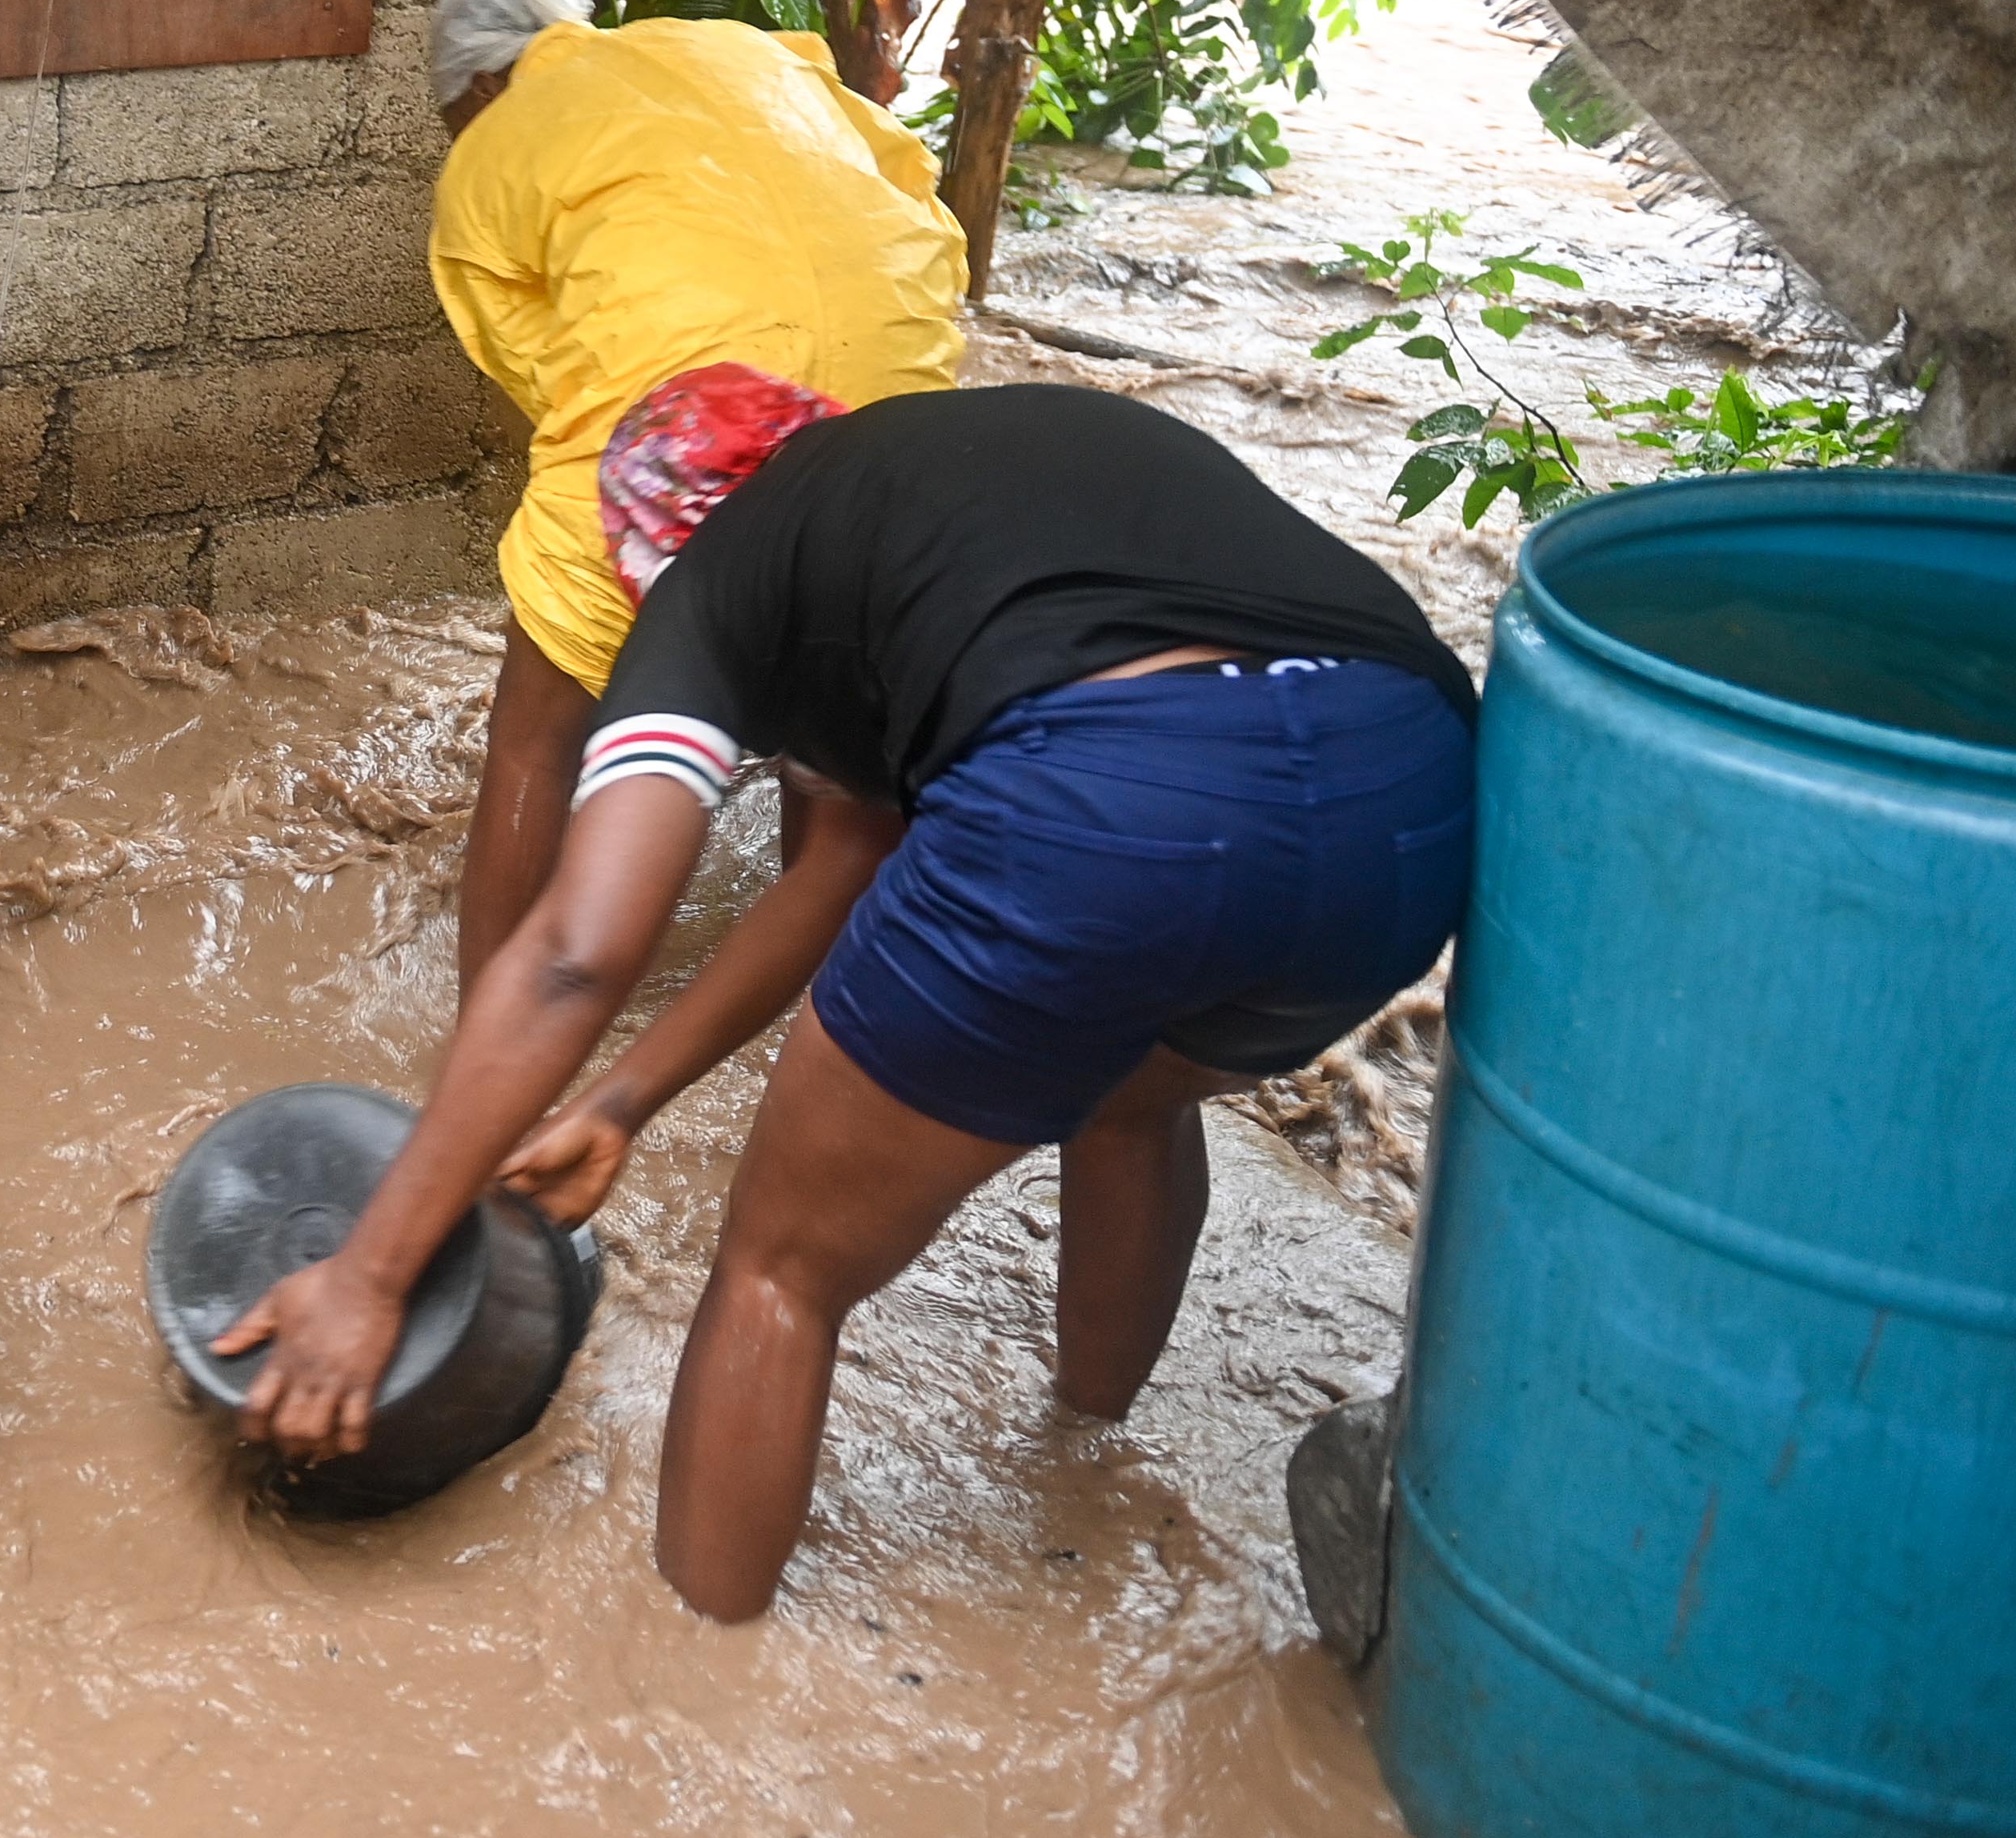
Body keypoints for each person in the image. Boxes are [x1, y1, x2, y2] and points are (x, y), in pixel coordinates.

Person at [216, 384, 1474, 1620]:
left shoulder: (715, 575)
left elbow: (574, 953)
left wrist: (372, 1276)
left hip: (1112, 796)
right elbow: (847, 854)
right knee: (1128, 1103)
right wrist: (622, 1100)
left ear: (654, 549)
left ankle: (701, 1669)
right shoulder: (946, 497)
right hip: (1407, 803)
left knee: (781, 1273)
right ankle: (1085, 1459)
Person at [420, 0, 969, 990]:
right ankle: (824, 1017)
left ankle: (485, 1037)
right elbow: (915, 186)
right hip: (896, 404)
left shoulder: (494, 152)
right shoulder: (745, 51)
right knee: (840, 732)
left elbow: (548, 381)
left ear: (484, 83)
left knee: (537, 730)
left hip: (686, 408)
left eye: (454, 113)